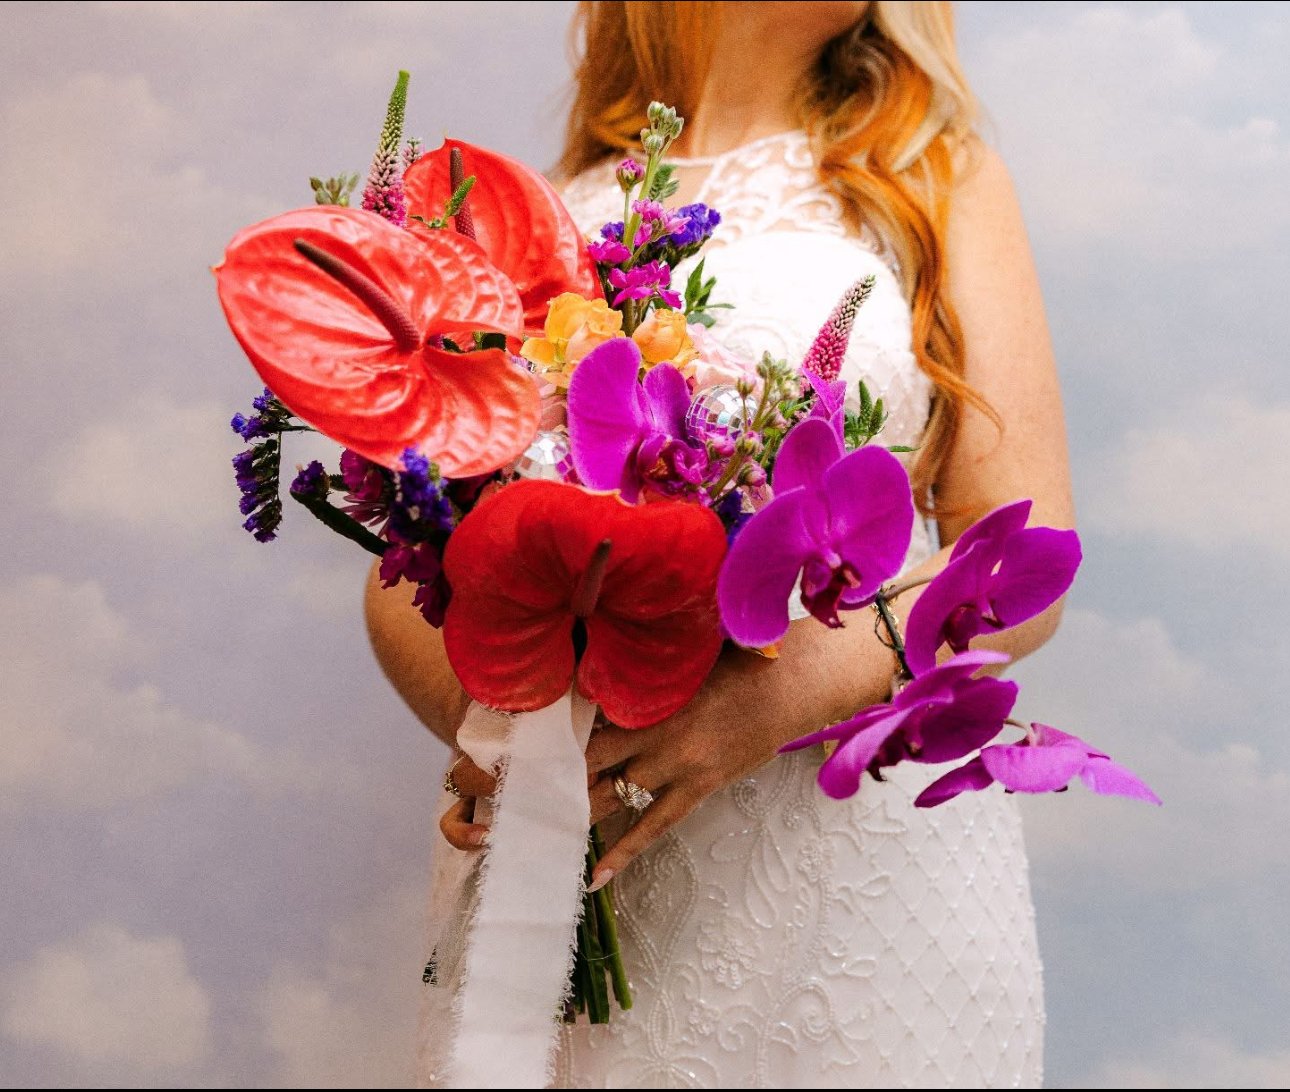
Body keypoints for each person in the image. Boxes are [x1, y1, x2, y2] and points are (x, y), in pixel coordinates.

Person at [365, 2, 1073, 1086]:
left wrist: (771, 701)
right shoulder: (543, 221)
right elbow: (405, 564)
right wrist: (514, 757)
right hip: (583, 853)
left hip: (854, 868)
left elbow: (1023, 566)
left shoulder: (934, 175)